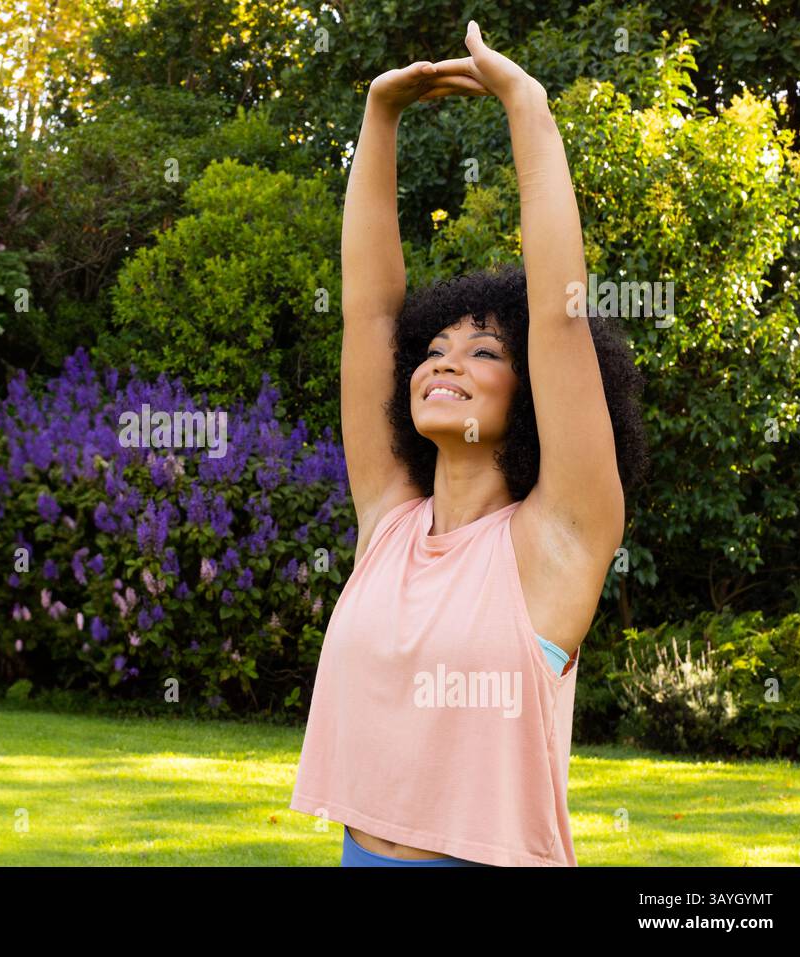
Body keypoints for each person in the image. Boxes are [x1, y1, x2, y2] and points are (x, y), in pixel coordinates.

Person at [289, 21, 649, 867]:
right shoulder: (388, 524)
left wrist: (526, 103)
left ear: (529, 399)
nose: (443, 361)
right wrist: (379, 118)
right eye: (436, 349)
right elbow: (371, 312)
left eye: (484, 351)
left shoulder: (557, 540)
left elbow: (557, 315)